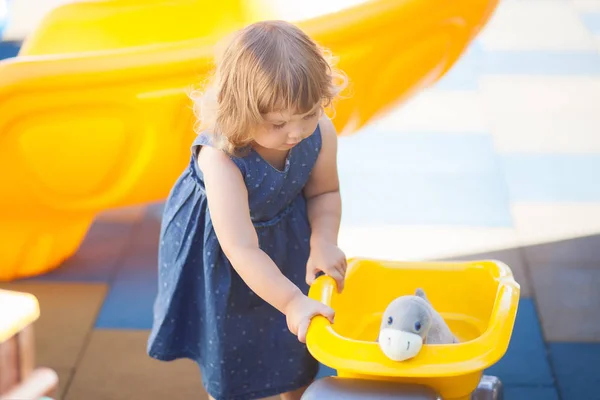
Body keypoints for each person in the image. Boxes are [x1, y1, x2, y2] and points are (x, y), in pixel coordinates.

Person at [147, 19, 348, 400]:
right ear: (241, 112)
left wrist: (323, 240)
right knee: (232, 343)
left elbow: (325, 193)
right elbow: (240, 247)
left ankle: (295, 391)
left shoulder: (319, 131)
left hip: (286, 234)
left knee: (301, 333)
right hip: (225, 248)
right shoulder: (222, 158)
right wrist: (290, 301)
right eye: (278, 123)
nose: (295, 132)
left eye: (308, 114)